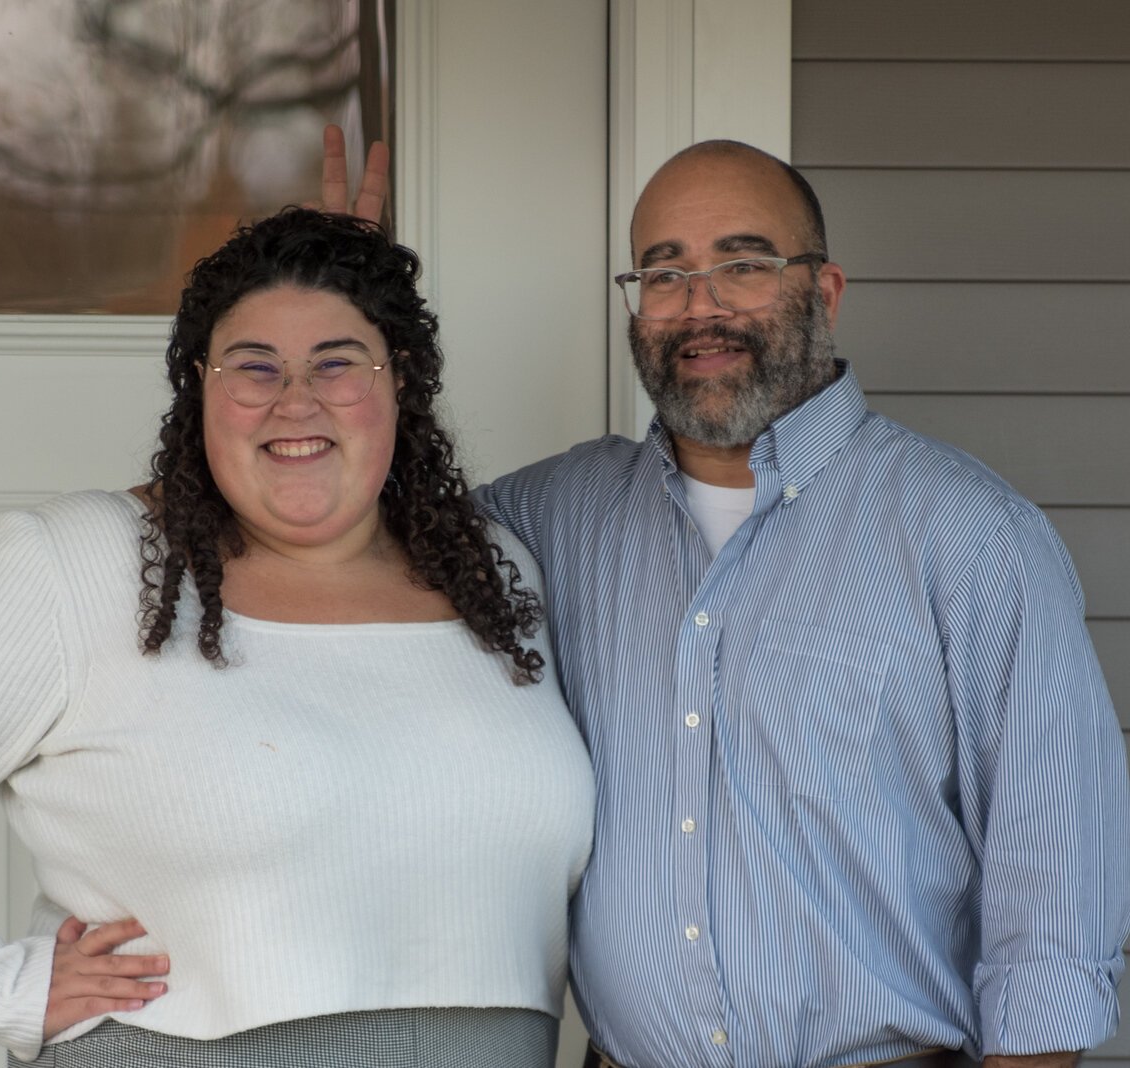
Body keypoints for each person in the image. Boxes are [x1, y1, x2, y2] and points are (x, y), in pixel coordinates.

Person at [328, 133, 1130, 1068]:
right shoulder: (545, 520)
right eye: (663, 275)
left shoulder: (973, 538)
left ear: (824, 292)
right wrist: (342, 310)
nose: (699, 308)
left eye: (743, 265)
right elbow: (323, 526)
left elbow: (1053, 911)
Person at [0, 207, 595, 1067]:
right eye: (255, 367)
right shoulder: (88, 561)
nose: (295, 401)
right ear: (200, 389)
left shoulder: (489, 568)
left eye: (337, 362)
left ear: (401, 383)